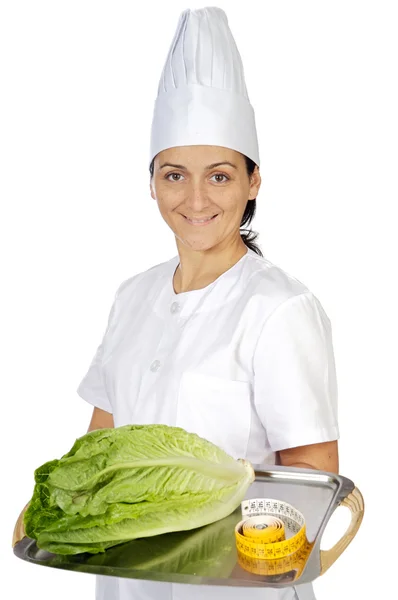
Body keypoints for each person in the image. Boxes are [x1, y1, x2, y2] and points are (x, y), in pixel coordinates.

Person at [76, 6, 340, 600]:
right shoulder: (132, 296)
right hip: (122, 580)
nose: (195, 198)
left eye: (219, 176)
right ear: (151, 183)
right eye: (174, 175)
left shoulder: (279, 308)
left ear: (253, 183)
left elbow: (312, 475)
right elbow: (100, 444)